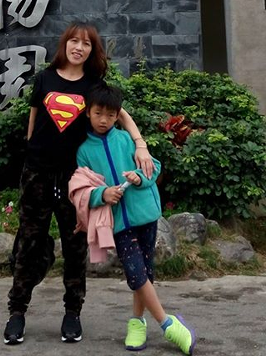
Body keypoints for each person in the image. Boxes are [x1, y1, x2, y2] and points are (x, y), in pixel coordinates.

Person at [3, 21, 154, 345]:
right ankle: (17, 312)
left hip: (76, 179)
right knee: (29, 242)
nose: (79, 47)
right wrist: (32, 153)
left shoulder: (93, 84)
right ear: (65, 44)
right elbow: (33, 119)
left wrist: (140, 144)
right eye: (74, 41)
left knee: (75, 244)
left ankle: (72, 312)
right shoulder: (44, 78)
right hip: (37, 173)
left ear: (91, 50)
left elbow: (120, 114)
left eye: (86, 43)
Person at [69, 82, 196, 355]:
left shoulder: (128, 140)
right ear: (88, 112)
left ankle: (137, 323)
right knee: (136, 274)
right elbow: (82, 187)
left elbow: (154, 168)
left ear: (118, 115)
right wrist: (102, 194)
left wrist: (139, 178)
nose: (104, 120)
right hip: (118, 223)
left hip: (145, 215)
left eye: (110, 115)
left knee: (145, 272)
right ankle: (168, 324)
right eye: (98, 113)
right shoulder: (84, 151)